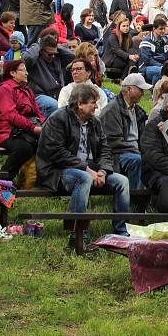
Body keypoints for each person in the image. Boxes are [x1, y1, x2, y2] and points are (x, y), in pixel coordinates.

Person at [37, 83, 130, 236]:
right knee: (84, 178)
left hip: (89, 168)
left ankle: (121, 231)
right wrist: (87, 170)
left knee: (122, 181)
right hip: (56, 171)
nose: (96, 107)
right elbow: (57, 153)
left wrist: (103, 171)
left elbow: (105, 149)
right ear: (80, 104)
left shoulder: (95, 122)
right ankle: (78, 233)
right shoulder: (57, 119)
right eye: (93, 103)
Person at [0, 60, 46, 179]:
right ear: (13, 73)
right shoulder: (4, 89)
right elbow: (11, 115)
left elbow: (38, 113)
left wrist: (45, 125)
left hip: (23, 132)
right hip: (5, 132)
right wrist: (33, 127)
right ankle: (1, 181)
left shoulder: (27, 90)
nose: (27, 73)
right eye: (23, 70)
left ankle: (37, 182)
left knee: (50, 143)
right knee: (24, 148)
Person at [100, 73, 150, 189]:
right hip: (117, 154)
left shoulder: (137, 110)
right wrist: (136, 150)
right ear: (129, 89)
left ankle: (150, 198)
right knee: (137, 159)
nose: (143, 94)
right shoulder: (111, 110)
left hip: (133, 149)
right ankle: (136, 198)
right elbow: (112, 142)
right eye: (140, 90)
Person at [21, 34, 73, 117]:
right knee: (54, 105)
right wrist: (38, 45)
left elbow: (72, 56)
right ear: (41, 51)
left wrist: (56, 46)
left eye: (54, 54)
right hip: (39, 95)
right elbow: (28, 59)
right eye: (49, 54)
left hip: (58, 94)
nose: (52, 56)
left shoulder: (57, 58)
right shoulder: (35, 59)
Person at [138, 19, 168, 85]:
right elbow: (147, 60)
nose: (163, 31)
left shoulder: (165, 40)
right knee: (160, 71)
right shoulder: (146, 40)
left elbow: (167, 56)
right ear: (154, 28)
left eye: (164, 28)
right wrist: (162, 66)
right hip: (146, 68)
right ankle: (154, 92)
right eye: (161, 29)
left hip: (162, 65)